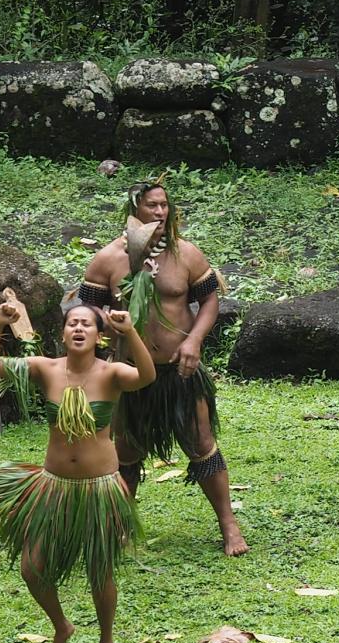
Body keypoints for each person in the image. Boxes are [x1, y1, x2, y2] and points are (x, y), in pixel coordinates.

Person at [0, 302, 155, 643]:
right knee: (32, 567)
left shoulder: (111, 374)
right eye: (72, 323)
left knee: (99, 571)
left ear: (98, 335)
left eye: (86, 324)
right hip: (53, 487)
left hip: (99, 489)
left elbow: (147, 377)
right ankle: (62, 627)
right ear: (62, 333)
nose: (78, 329)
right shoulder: (46, 368)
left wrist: (131, 331)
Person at [81, 179, 248, 556]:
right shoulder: (108, 259)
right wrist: (105, 324)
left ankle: (229, 525)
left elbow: (209, 303)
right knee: (125, 450)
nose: (159, 212)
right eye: (151, 206)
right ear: (132, 211)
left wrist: (193, 340)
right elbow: (86, 308)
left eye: (164, 205)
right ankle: (121, 524)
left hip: (179, 371)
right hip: (129, 373)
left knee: (202, 444)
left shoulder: (186, 254)